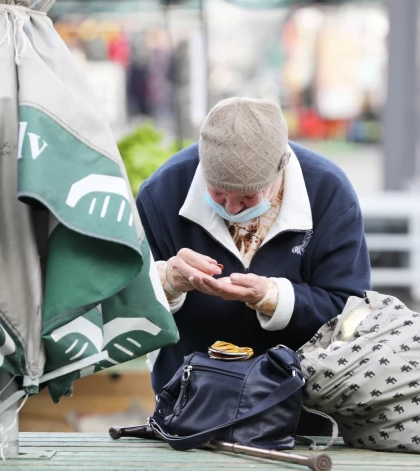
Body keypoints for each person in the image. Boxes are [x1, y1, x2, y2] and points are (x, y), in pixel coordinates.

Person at [136, 97, 371, 434]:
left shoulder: (329, 194)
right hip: (191, 408)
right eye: (218, 193)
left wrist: (274, 297)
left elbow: (353, 313)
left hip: (305, 408)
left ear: (282, 168)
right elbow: (125, 299)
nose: (231, 207)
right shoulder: (163, 193)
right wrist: (167, 279)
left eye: (247, 198)